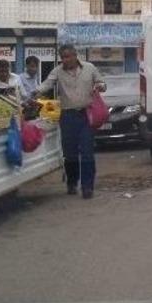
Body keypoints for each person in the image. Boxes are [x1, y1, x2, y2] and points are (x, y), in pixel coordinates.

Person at [32, 44, 106, 199]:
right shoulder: (57, 71)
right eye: (63, 57)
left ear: (75, 56)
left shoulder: (89, 68)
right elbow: (47, 84)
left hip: (86, 115)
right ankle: (72, 182)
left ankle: (87, 187)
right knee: (70, 153)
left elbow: (102, 83)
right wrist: (35, 92)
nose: (65, 60)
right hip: (67, 116)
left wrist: (100, 86)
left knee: (87, 152)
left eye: (68, 56)